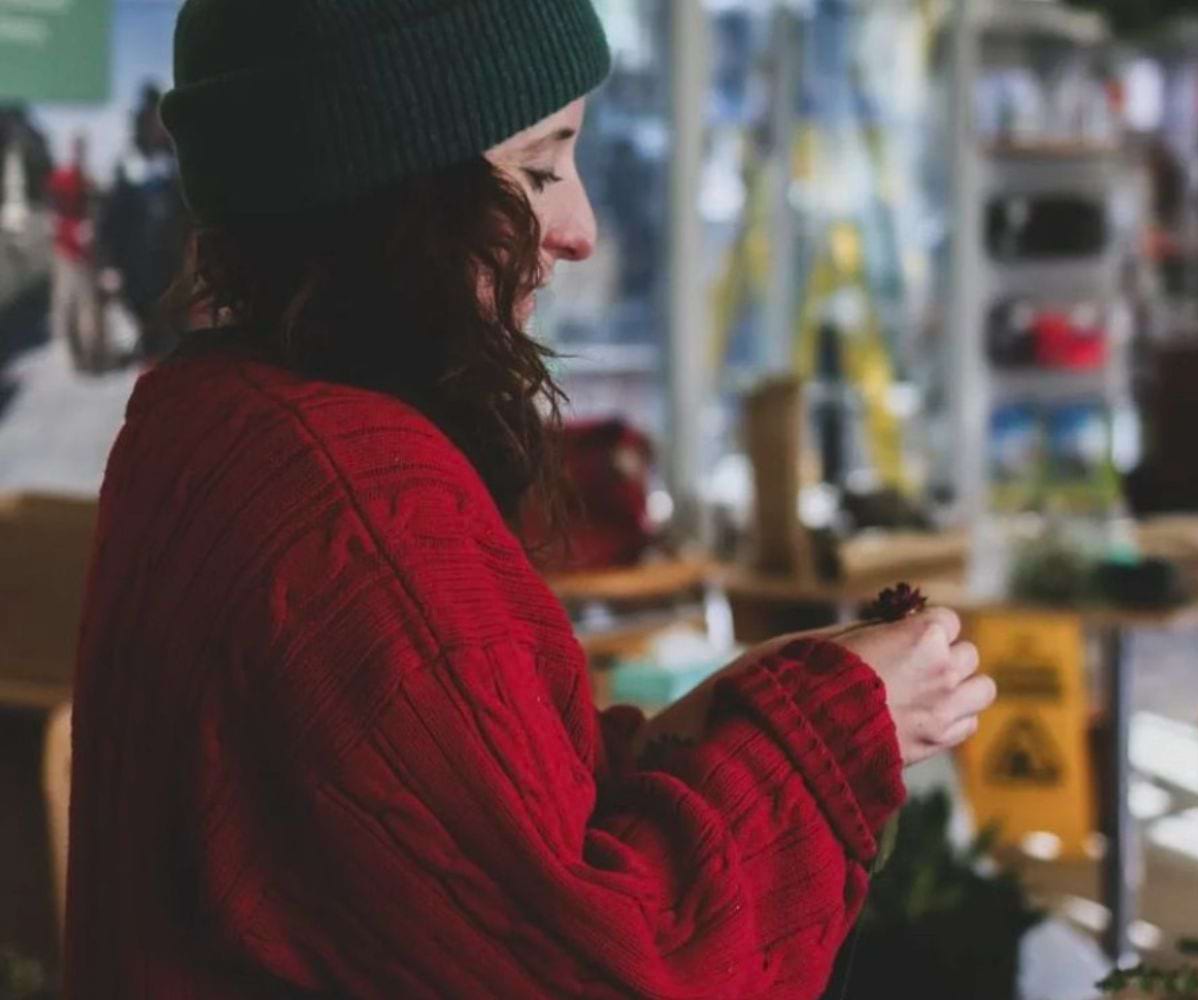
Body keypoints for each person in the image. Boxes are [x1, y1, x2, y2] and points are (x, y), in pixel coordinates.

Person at [65, 2, 996, 997]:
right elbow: (620, 971)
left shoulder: (213, 420)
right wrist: (829, 727)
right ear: (393, 187)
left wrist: (722, 710)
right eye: (541, 168)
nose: (583, 229)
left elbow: (446, 850)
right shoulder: (359, 515)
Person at [97, 83, 187, 361]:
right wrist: (110, 267)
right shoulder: (127, 170)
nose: (157, 129)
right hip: (138, 269)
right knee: (149, 337)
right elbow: (111, 223)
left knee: (174, 337)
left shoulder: (173, 167)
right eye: (152, 123)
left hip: (172, 268)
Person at [48, 134, 101, 372]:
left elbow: (94, 210)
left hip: (82, 248)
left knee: (86, 306)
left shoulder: (86, 180)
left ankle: (89, 357)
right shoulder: (61, 178)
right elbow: (54, 210)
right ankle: (79, 358)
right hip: (67, 250)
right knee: (70, 305)